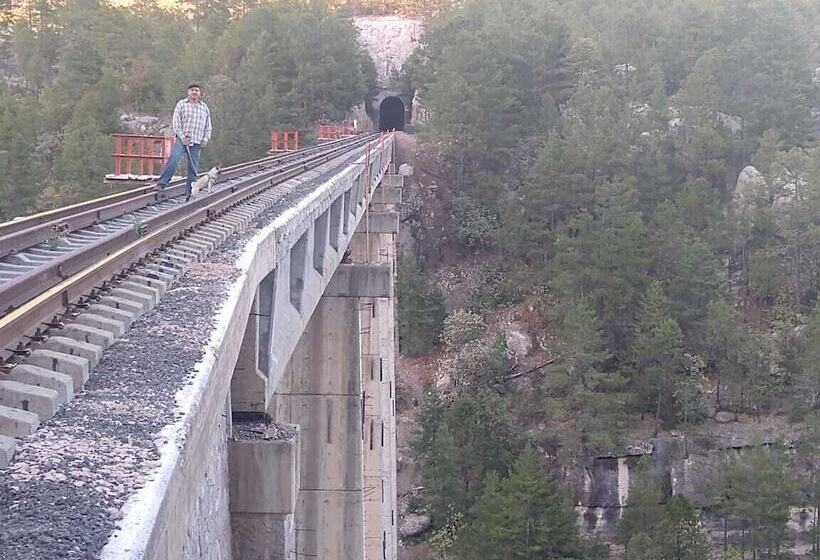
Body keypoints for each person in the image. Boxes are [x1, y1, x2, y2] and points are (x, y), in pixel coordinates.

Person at [155, 81, 212, 201]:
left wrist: (206, 139)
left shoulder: (204, 107)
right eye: (192, 90)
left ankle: (190, 193)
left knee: (193, 168)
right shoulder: (181, 104)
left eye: (197, 90)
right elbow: (176, 123)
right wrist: (182, 137)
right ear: (188, 92)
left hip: (197, 142)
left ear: (200, 93)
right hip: (182, 140)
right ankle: (162, 183)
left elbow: (208, 126)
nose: (194, 92)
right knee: (174, 159)